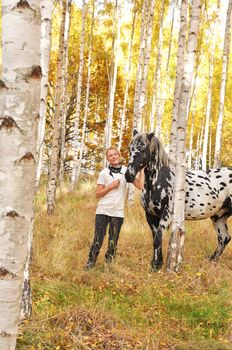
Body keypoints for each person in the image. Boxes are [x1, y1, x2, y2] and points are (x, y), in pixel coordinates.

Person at [84, 146, 144, 270]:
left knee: (113, 240)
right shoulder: (104, 173)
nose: (113, 157)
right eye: (110, 156)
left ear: (119, 155)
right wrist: (110, 186)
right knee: (98, 238)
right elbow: (97, 194)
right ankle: (90, 264)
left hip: (118, 212)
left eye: (115, 154)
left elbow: (140, 186)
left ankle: (109, 265)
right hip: (103, 210)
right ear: (107, 159)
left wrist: (141, 170)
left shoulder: (126, 171)